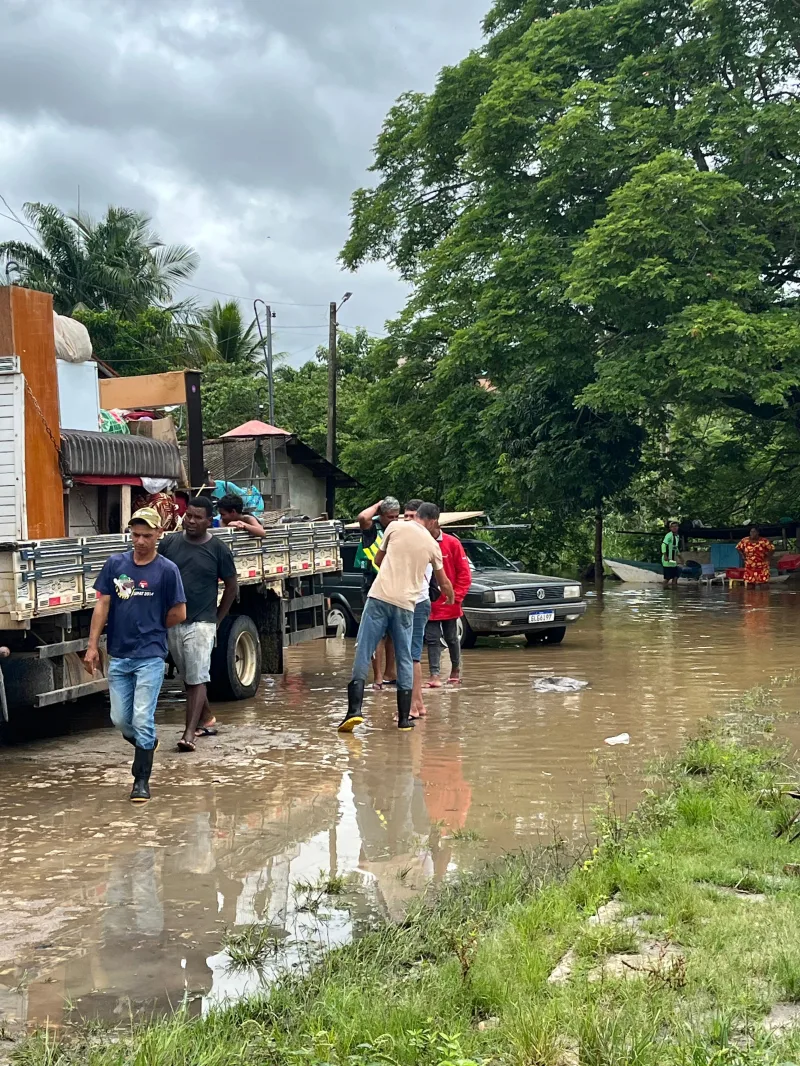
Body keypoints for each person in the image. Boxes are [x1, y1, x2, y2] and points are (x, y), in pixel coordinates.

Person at [84, 507, 186, 804]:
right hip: (120, 653)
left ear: (159, 535)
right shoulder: (116, 564)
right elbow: (102, 606)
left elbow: (179, 612)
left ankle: (140, 780)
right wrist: (92, 646)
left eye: (147, 535)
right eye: (135, 535)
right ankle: (148, 743)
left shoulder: (167, 570)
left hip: (151, 654)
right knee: (120, 719)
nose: (140, 541)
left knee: (142, 717)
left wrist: (153, 626)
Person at [338, 501, 455, 734]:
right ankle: (404, 719)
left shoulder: (394, 528)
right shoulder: (433, 545)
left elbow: (378, 560)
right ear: (432, 521)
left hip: (379, 597)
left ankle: (354, 712)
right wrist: (450, 596)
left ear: (417, 515)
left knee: (364, 650)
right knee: (405, 658)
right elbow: (443, 583)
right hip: (406, 605)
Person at [158, 497, 239, 752]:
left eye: (197, 517)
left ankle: (188, 734)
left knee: (196, 677)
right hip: (174, 620)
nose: (190, 521)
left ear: (208, 521)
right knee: (189, 675)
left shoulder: (218, 549)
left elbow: (232, 586)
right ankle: (207, 719)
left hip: (202, 622)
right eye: (188, 516)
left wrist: (217, 619)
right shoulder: (170, 543)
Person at [356, 497, 401, 689]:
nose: (393, 520)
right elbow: (362, 517)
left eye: (396, 516)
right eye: (389, 516)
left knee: (393, 634)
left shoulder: (400, 529)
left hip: (396, 585)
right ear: (380, 516)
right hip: (374, 585)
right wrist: (379, 503)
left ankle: (391, 673)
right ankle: (378, 678)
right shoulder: (372, 529)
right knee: (377, 635)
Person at [424, 515, 472, 688]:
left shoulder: (452, 543)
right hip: (428, 602)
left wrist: (456, 597)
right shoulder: (420, 543)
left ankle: (456, 670)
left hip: (449, 602)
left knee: (452, 638)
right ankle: (434, 674)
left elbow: (465, 574)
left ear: (433, 522)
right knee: (432, 639)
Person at [403, 500, 432, 719]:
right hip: (413, 602)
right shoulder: (417, 539)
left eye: (413, 517)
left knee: (410, 656)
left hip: (415, 602)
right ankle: (419, 704)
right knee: (412, 656)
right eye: (406, 517)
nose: (408, 521)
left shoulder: (421, 542)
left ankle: (411, 707)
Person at [661, 521, 682, 586]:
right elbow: (663, 545)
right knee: (667, 578)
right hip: (667, 560)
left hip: (673, 561)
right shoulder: (669, 535)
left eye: (676, 526)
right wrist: (665, 555)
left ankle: (674, 593)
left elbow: (675, 548)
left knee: (675, 577)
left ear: (678, 527)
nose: (674, 528)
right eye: (672, 527)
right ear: (670, 528)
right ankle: (663, 590)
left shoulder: (677, 536)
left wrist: (680, 557)